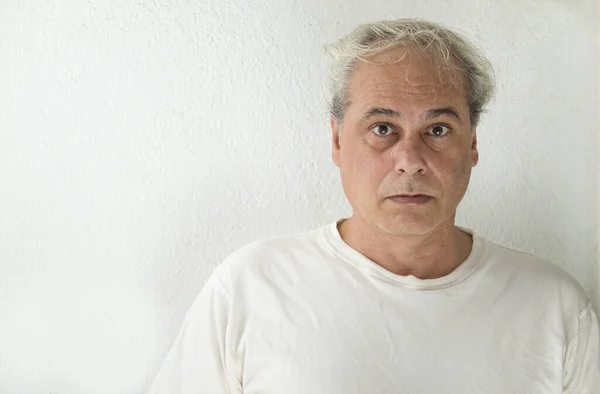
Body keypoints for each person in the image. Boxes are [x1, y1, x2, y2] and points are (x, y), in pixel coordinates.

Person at [148, 18, 600, 393]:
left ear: (473, 143)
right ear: (337, 140)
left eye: (438, 129)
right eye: (383, 128)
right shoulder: (250, 287)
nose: (410, 161)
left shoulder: (555, 309)